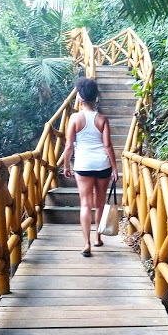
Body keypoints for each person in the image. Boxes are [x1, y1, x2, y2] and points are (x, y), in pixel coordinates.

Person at [63, 77, 119, 257]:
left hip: (83, 164)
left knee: (86, 205)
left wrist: (66, 165)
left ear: (80, 98)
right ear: (95, 98)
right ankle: (98, 238)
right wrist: (115, 168)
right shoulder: (102, 119)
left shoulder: (74, 118)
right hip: (102, 165)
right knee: (100, 204)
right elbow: (108, 145)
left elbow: (69, 146)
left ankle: (86, 244)